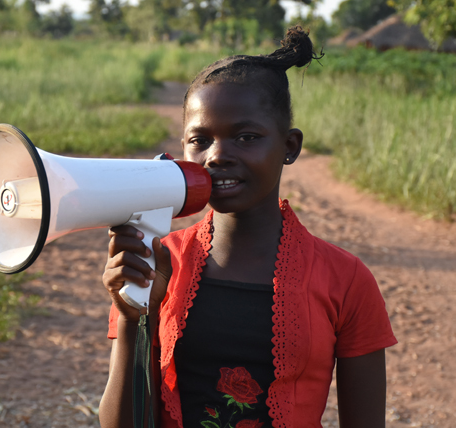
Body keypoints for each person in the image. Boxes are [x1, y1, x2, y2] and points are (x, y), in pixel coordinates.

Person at [100, 26, 397, 428]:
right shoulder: (159, 262)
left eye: (245, 136)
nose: (217, 155)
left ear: (289, 147)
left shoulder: (346, 280)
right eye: (199, 140)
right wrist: (131, 316)